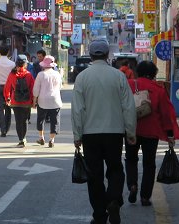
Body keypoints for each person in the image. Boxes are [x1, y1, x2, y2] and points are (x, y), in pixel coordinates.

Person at [72, 40, 136, 224]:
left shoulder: (82, 77)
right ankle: (114, 199)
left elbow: (78, 109)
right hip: (114, 132)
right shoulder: (118, 76)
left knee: (94, 175)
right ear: (108, 55)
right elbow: (128, 106)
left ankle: (100, 215)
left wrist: (77, 135)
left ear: (91, 56)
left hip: (90, 134)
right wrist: (131, 131)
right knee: (115, 168)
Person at [124, 60, 179, 207]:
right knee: (149, 164)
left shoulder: (129, 85)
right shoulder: (158, 89)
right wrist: (170, 134)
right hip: (151, 131)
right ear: (154, 73)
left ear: (138, 71)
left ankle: (132, 185)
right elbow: (166, 115)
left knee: (131, 159)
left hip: (131, 129)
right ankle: (145, 197)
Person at [3, 54, 35, 147]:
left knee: (18, 121)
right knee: (24, 120)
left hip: (15, 101)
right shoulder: (28, 75)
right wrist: (33, 100)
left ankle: (21, 139)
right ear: (25, 64)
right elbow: (32, 89)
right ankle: (24, 138)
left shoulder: (12, 74)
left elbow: (7, 88)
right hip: (26, 102)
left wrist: (7, 98)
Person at [33, 55, 63, 147]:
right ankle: (51, 139)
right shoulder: (57, 74)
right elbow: (60, 87)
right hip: (55, 100)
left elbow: (36, 89)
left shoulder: (40, 74)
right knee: (55, 120)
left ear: (43, 65)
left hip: (42, 100)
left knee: (40, 119)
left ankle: (41, 137)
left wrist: (34, 100)